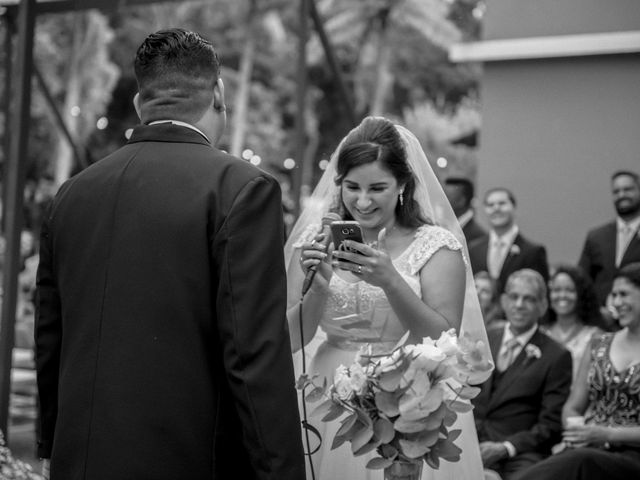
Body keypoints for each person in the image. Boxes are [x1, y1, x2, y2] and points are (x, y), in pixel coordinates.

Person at [35, 28, 305, 480]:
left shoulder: (72, 194)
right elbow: (253, 350)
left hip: (79, 459)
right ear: (218, 93)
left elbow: (51, 333)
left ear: (141, 104)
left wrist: (51, 443)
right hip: (192, 459)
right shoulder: (241, 189)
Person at [284, 116, 492, 480]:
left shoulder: (436, 247)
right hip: (328, 392)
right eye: (352, 187)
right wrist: (318, 289)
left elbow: (444, 337)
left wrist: (390, 281)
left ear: (402, 185)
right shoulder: (312, 246)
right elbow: (289, 339)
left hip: (411, 394)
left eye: (376, 188)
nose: (362, 202)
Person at [517, 262, 640, 480]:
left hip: (631, 453)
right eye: (614, 295)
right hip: (591, 446)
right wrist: (578, 431)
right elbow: (573, 407)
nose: (617, 303)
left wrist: (607, 434)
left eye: (624, 295)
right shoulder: (599, 343)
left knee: (579, 461)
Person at [472, 269, 572, 480]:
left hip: (519, 455)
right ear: (503, 300)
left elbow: (551, 425)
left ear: (542, 306)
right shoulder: (483, 337)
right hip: (470, 443)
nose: (519, 305)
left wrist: (506, 447)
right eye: (514, 297)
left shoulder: (557, 356)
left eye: (528, 299)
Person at [578, 170, 640, 318]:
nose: (622, 195)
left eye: (627, 189)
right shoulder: (597, 236)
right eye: (616, 191)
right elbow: (582, 280)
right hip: (600, 319)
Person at [468, 187, 549, 295]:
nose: (496, 208)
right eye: (490, 205)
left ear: (513, 207)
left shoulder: (533, 252)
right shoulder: (474, 249)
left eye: (502, 203)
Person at [541, 264, 604, 379]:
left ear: (582, 294)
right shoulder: (541, 333)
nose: (562, 295)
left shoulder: (595, 337)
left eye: (569, 290)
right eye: (556, 290)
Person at [444, 176, 487, 244]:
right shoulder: (445, 227)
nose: (442, 201)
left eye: (447, 197)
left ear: (462, 201)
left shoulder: (478, 236)